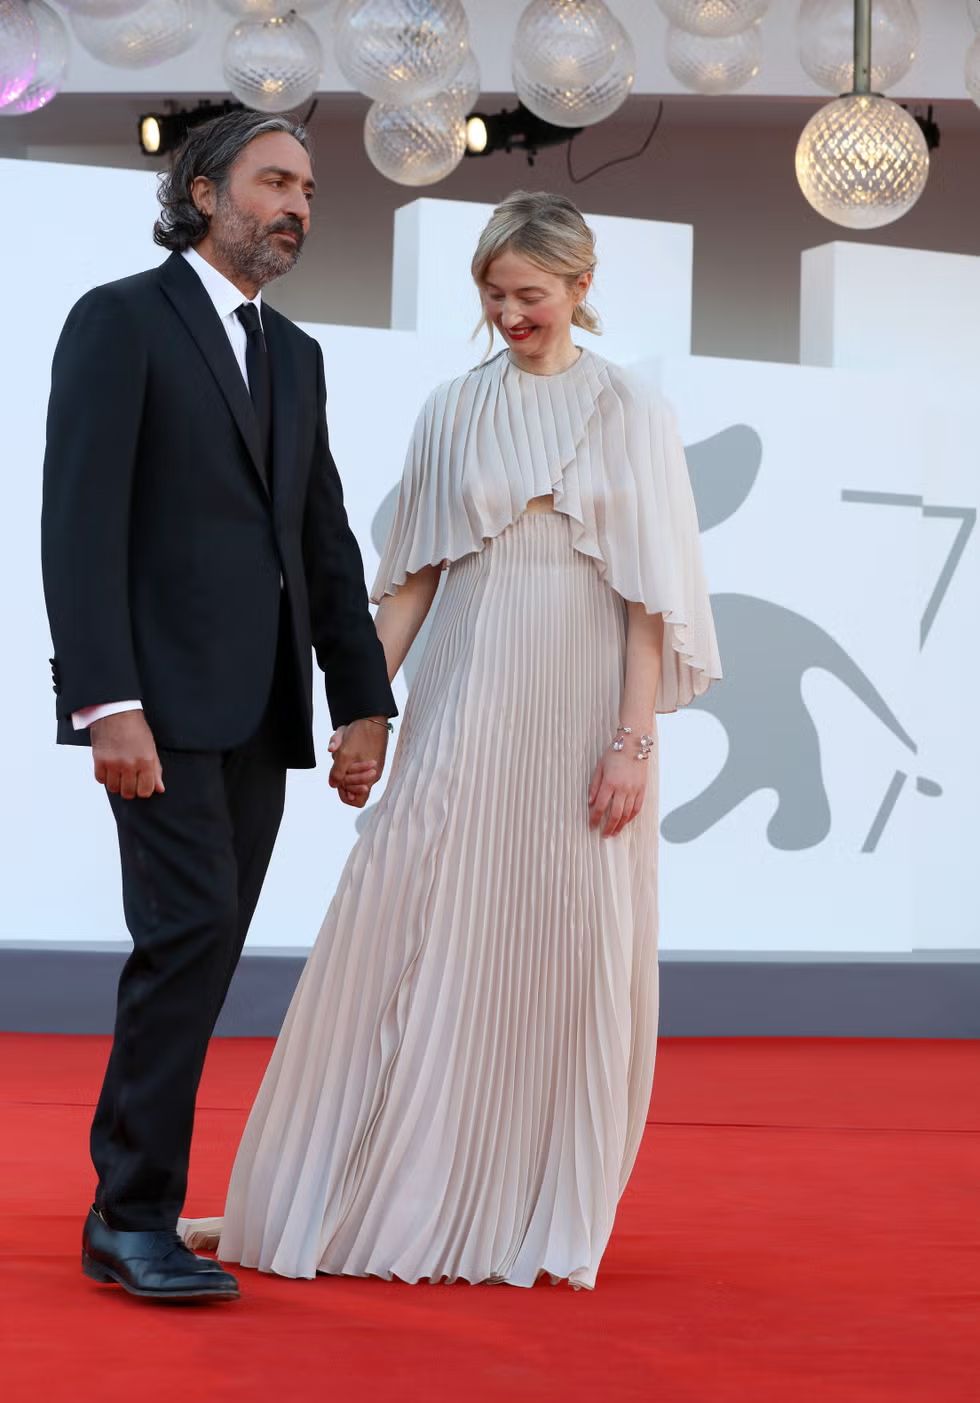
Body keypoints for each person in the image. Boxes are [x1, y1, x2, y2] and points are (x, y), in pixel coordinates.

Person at [181, 191, 722, 1290]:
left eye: (530, 293)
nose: (510, 313)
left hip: (583, 710)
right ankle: (339, 1191)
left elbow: (649, 603)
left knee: (559, 945)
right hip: (466, 691)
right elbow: (414, 579)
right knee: (398, 919)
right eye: (492, 292)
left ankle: (513, 1203)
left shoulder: (632, 409)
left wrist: (632, 742)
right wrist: (364, 709)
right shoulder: (453, 407)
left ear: (580, 285)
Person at [40, 110, 395, 1303]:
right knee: (187, 937)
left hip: (261, 711)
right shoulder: (119, 320)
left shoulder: (295, 354)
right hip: (157, 706)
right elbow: (78, 524)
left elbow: (321, 539)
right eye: (274, 181)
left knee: (201, 949)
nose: (296, 206)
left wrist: (361, 699)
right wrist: (107, 703)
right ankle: (130, 1213)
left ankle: (130, 1202)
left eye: (308, 191)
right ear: (203, 192)